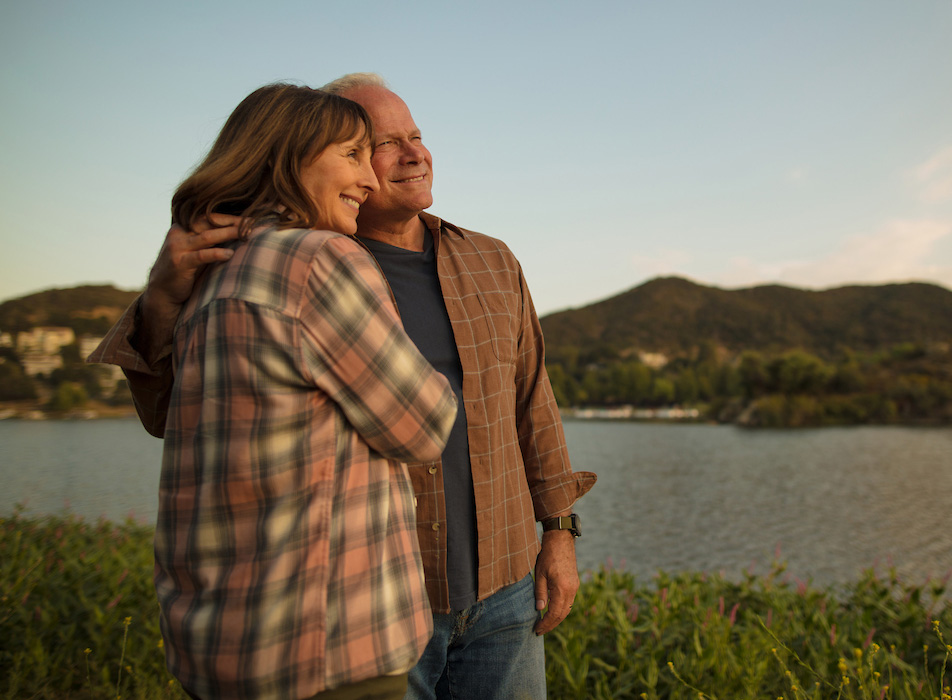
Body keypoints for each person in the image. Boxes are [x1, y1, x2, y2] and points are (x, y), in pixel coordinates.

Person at [90, 73, 596, 700]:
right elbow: (176, 415)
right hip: (372, 608)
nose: (414, 154)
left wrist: (559, 533)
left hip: (504, 588)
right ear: (303, 157)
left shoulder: (491, 261)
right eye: (376, 146)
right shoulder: (281, 259)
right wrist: (160, 300)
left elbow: (532, 405)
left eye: (417, 136)